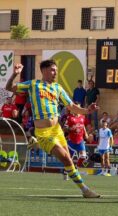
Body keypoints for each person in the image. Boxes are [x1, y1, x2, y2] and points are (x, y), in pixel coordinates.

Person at [6, 60, 100, 198]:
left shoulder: (57, 87)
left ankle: (36, 144)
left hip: (57, 130)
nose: (55, 72)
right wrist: (14, 74)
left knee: (68, 160)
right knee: (67, 160)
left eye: (56, 70)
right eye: (52, 70)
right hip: (44, 132)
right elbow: (9, 87)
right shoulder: (33, 84)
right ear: (43, 71)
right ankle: (85, 190)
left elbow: (72, 107)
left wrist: (87, 110)